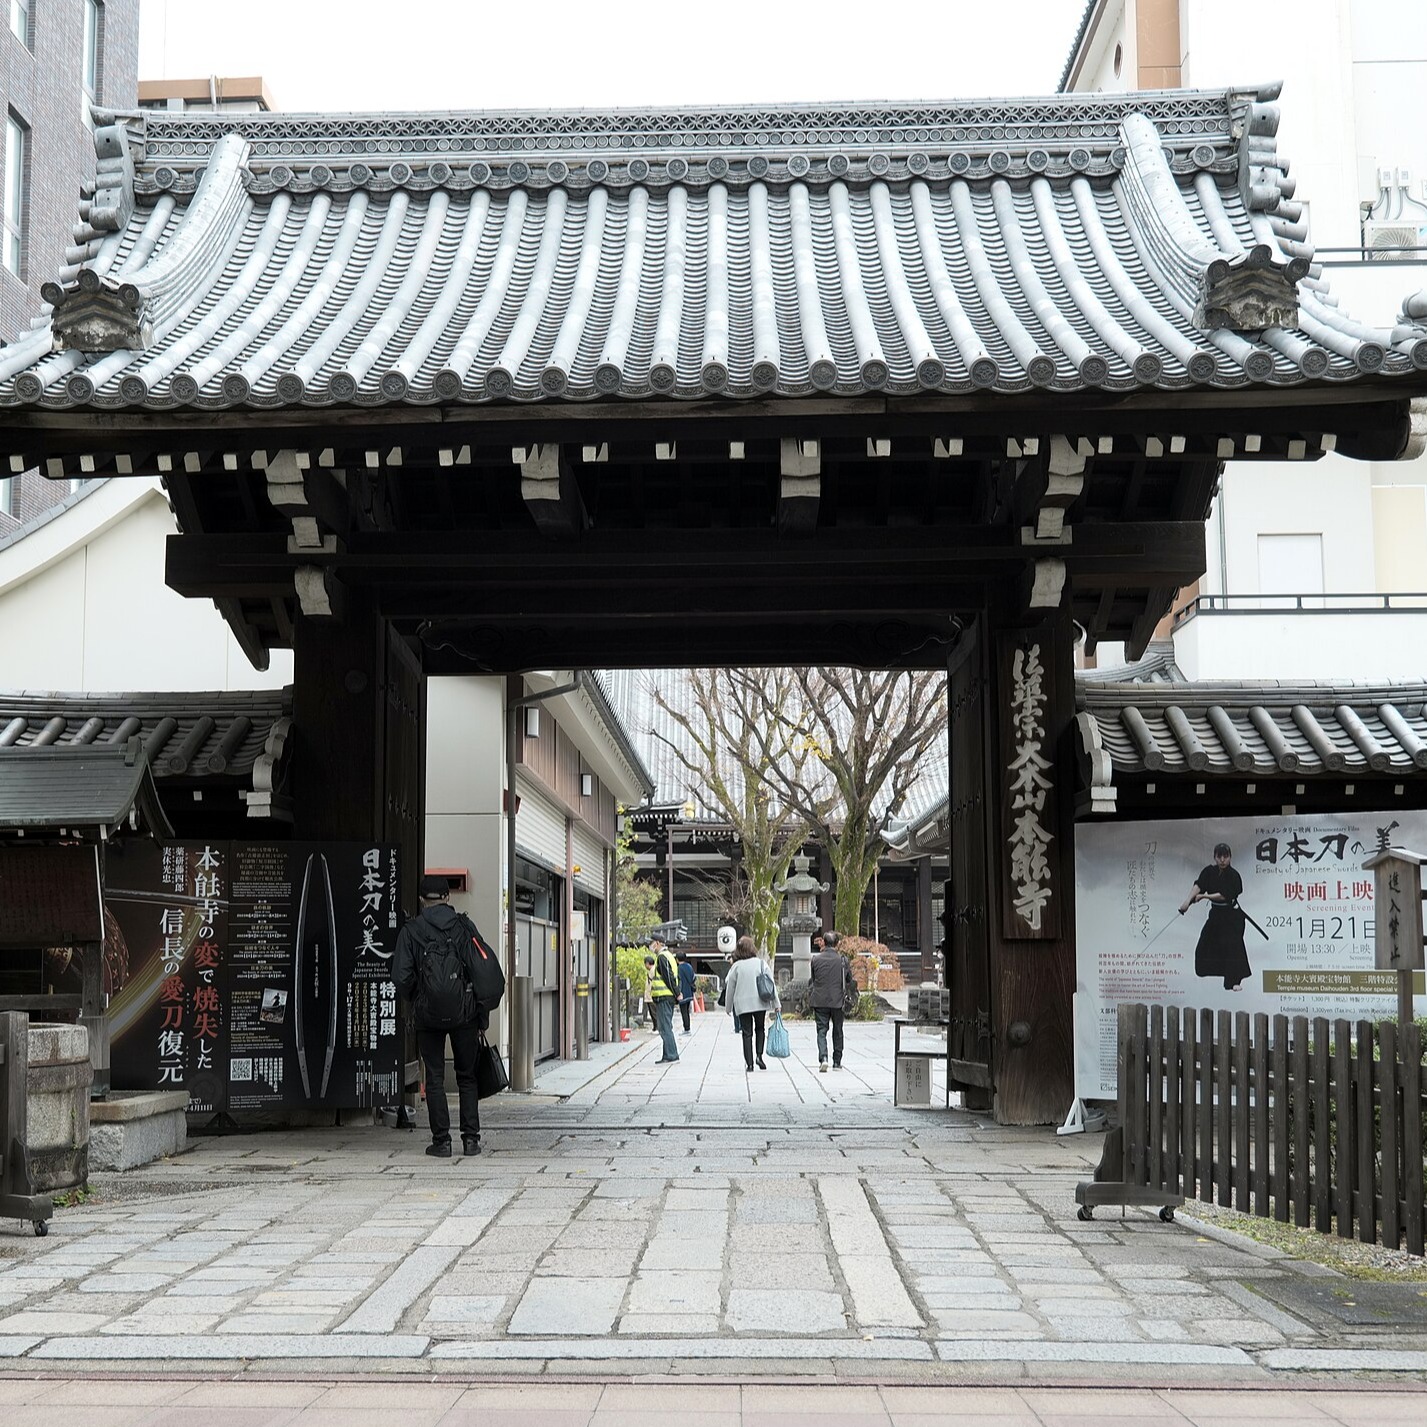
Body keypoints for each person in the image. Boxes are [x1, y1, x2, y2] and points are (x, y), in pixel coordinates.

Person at [393, 874, 488, 1158]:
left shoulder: (412, 930)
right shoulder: (463, 926)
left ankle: (442, 1142)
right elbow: (480, 966)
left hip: (428, 1016)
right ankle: (471, 1140)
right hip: (465, 1015)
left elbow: (401, 976)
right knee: (467, 1076)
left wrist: (418, 997)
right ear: (448, 897)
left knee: (434, 1077)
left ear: (422, 899)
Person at [1179, 842, 1252, 991]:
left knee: (1233, 947)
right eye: (1220, 856)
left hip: (1232, 916)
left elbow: (1224, 896)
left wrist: (1205, 897)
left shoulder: (1234, 876)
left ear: (1230, 857)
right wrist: (1187, 902)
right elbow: (1199, 885)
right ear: (1215, 857)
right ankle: (1212, 972)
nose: (1223, 860)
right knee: (1204, 944)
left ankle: (1234, 982)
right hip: (1216, 915)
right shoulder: (1209, 872)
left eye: (1226, 856)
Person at [722, 934, 779, 1071]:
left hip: (742, 1004)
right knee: (760, 1028)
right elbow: (771, 984)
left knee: (746, 1033)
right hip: (760, 1001)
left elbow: (730, 987)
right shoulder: (761, 963)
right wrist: (776, 1003)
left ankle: (749, 1064)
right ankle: (759, 1056)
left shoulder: (736, 967)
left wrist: (728, 1007)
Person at [809, 928, 852, 1072]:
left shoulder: (815, 959)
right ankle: (837, 1061)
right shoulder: (843, 960)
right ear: (836, 944)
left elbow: (813, 979)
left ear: (824, 943)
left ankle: (824, 1058)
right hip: (837, 1000)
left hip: (820, 999)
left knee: (821, 1030)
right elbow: (849, 979)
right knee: (838, 1030)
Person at [644, 937, 682, 1063]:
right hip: (666, 996)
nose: (651, 946)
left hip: (664, 996)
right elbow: (676, 977)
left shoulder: (662, 957)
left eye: (652, 943)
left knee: (664, 1027)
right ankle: (667, 1055)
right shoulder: (669, 956)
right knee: (665, 1026)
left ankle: (671, 1054)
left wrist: (677, 993)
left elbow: (668, 977)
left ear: (658, 943)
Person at [676, 949, 697, 1033]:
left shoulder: (679, 968)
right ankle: (687, 1027)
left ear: (677, 959)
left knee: (683, 1011)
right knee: (687, 1011)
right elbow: (693, 978)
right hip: (689, 992)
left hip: (682, 992)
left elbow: (679, 981)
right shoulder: (689, 966)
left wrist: (678, 992)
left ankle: (686, 1029)